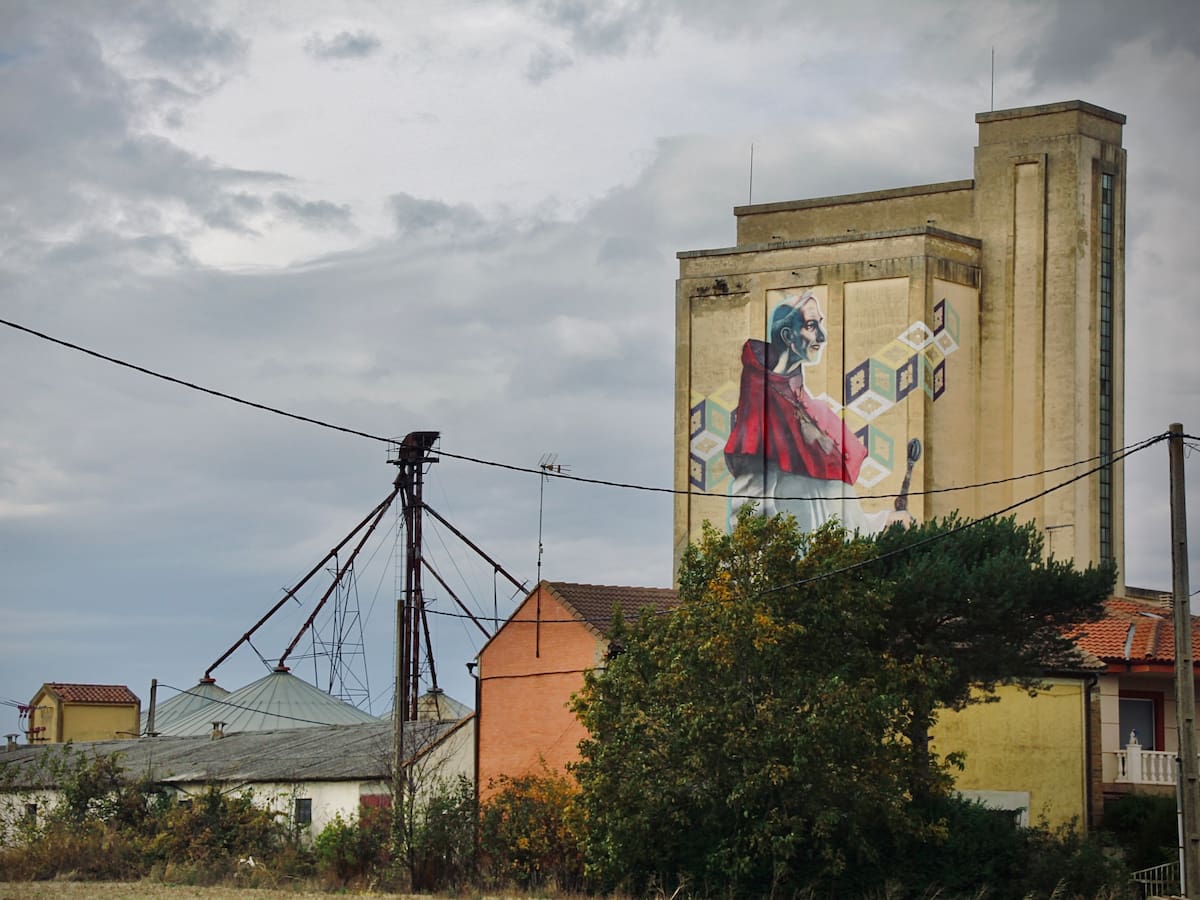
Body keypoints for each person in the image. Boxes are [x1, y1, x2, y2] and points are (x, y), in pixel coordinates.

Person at [723, 291, 906, 534]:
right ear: (788, 335)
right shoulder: (761, 405)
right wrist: (759, 562)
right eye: (811, 326)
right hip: (798, 566)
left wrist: (885, 522)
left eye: (820, 323)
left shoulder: (806, 405)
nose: (822, 335)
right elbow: (749, 507)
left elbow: (840, 512)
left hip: (833, 560)